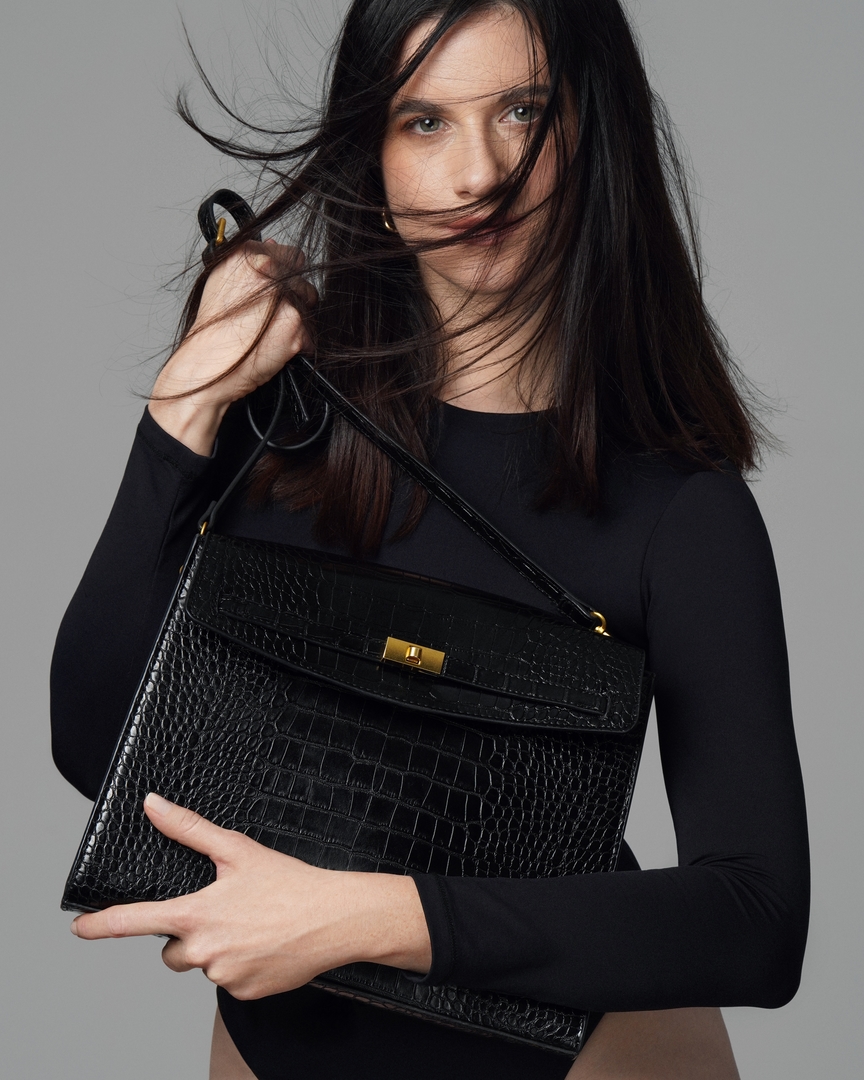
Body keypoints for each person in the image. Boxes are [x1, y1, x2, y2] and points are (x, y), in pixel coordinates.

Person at [50, 1, 810, 1077]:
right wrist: (184, 411)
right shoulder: (283, 423)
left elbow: (757, 921)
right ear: (372, 151)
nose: (478, 175)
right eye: (424, 122)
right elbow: (97, 747)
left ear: (594, 130)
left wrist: (366, 918)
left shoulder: (680, 511)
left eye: (523, 112)